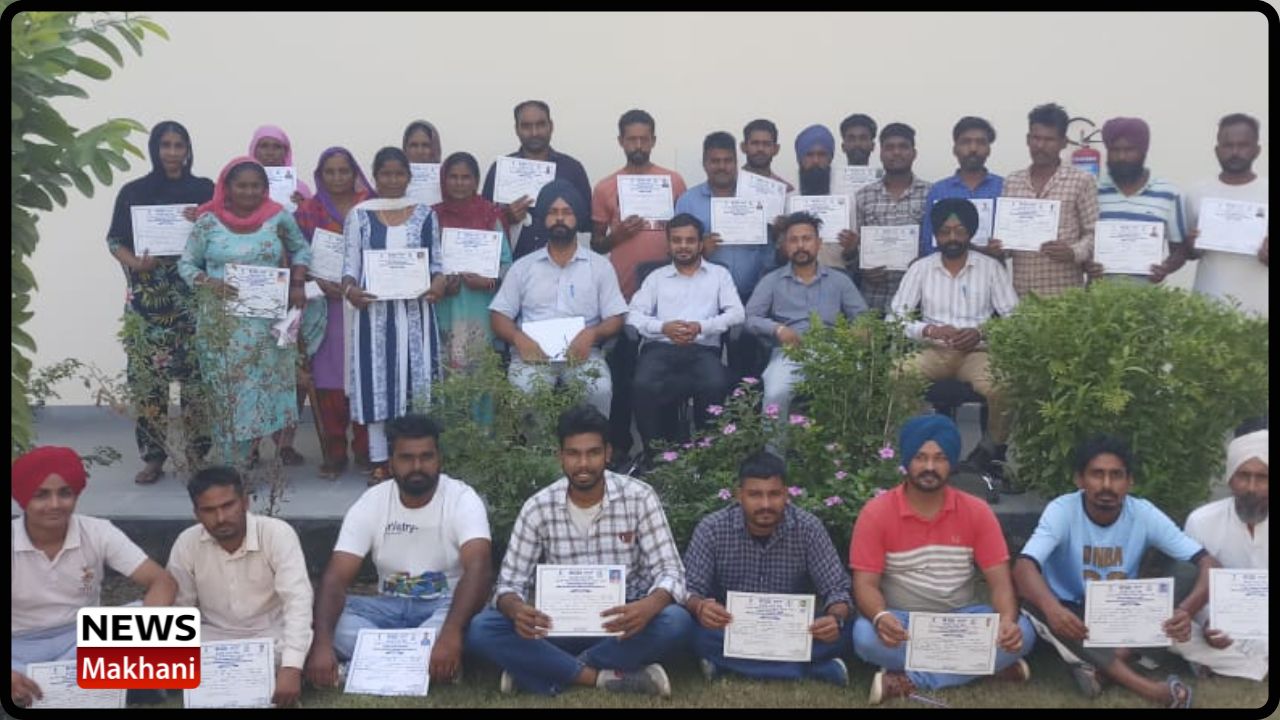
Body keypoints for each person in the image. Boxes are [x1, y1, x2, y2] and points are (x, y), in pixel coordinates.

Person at [465, 405, 692, 698]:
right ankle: (598, 676)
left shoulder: (639, 497)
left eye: (593, 453)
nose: (583, 464)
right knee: (483, 628)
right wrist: (516, 609)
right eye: (573, 454)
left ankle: (543, 668)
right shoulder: (538, 507)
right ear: (560, 456)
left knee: (676, 621)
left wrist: (648, 606)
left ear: (608, 453)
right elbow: (508, 584)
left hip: (622, 625)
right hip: (557, 626)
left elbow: (671, 572)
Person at [1012, 434, 1218, 708]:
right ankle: (1152, 690)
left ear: (1130, 481)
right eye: (1097, 474)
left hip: (1120, 611)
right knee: (1035, 602)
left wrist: (1187, 611)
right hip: (1069, 612)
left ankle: (1104, 667)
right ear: (1079, 479)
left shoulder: (1142, 513)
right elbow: (1024, 566)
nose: (1107, 485)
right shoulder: (1062, 510)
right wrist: (1052, 608)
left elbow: (1207, 562)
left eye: (1116, 475)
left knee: (1186, 571)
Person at [850, 415, 1035, 704]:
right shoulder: (876, 513)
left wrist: (1007, 622)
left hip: (961, 619)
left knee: (1024, 631)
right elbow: (864, 585)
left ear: (952, 463)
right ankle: (985, 667)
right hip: (904, 623)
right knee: (864, 635)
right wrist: (881, 616)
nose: (930, 467)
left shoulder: (976, 511)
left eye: (940, 458)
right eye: (920, 457)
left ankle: (911, 679)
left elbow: (1000, 584)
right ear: (907, 460)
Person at [303, 414, 492, 687]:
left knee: (469, 622)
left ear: (439, 459)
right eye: (406, 458)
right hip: (387, 609)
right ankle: (423, 665)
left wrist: (451, 633)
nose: (417, 467)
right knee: (328, 619)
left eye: (426, 457)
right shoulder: (372, 502)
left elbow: (479, 569)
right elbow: (335, 578)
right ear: (391, 463)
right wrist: (322, 644)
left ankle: (361, 667)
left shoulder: (462, 499)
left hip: (444, 608)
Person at [10, 446, 178, 708]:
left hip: (83, 638)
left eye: (65, 493)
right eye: (41, 495)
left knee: (167, 623)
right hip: (19, 647)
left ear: (76, 494)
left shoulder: (97, 531)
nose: (54, 504)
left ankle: (137, 693)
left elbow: (162, 581)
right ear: (23, 498)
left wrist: (146, 632)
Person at [178, 157, 312, 466]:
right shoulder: (207, 222)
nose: (249, 192)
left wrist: (298, 282)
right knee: (227, 391)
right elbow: (186, 264)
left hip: (266, 325)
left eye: (256, 186)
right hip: (221, 326)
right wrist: (209, 282)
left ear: (265, 189)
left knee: (259, 390)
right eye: (242, 186)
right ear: (227, 187)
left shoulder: (277, 217)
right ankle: (232, 465)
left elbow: (301, 249)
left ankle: (246, 456)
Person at [105, 120, 214, 485]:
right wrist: (136, 263)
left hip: (193, 301)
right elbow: (114, 241)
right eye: (165, 145)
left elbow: (223, 232)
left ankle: (198, 455)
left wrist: (204, 219)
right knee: (148, 382)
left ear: (188, 149)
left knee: (196, 380)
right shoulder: (134, 191)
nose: (172, 152)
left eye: (178, 145)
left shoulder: (205, 190)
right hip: (148, 303)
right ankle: (153, 457)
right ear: (155, 149)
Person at [684, 451, 852, 686]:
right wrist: (700, 607)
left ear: (786, 494)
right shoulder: (712, 528)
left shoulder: (808, 528)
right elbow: (689, 589)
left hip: (792, 630)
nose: (765, 504)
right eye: (755, 495)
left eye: (774, 494)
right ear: (739, 495)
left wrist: (835, 618)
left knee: (847, 630)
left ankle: (725, 665)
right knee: (692, 629)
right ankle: (813, 669)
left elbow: (837, 589)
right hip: (734, 628)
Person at [889, 198, 1019, 476]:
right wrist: (929, 330)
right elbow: (895, 318)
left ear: (970, 233)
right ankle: (917, 447)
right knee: (897, 375)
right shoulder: (921, 268)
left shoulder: (990, 268)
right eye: (945, 232)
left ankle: (989, 452)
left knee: (1004, 386)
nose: (952, 238)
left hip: (977, 353)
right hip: (933, 351)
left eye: (959, 231)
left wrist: (981, 332)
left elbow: (1014, 318)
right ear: (936, 235)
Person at [340, 147, 447, 484]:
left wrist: (438, 284)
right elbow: (349, 268)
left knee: (418, 385)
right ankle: (380, 461)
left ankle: (419, 459)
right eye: (385, 174)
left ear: (409, 176)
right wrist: (351, 291)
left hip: (416, 316)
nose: (392, 180)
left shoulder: (425, 215)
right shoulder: (359, 215)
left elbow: (437, 265)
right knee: (376, 385)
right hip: (373, 316)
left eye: (399, 173)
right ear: (375, 176)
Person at [166, 466, 313, 707]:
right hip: (212, 637)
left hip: (270, 636)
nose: (221, 518)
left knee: (297, 647)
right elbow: (180, 609)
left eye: (228, 506)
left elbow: (297, 601)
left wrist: (291, 667)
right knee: (134, 625)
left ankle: (269, 674)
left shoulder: (277, 534)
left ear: (245, 502)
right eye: (209, 510)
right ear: (196, 513)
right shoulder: (187, 542)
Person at [592, 109, 688, 465]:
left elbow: (685, 229)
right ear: (620, 141)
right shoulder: (605, 187)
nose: (637, 145)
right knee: (623, 372)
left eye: (643, 139)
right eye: (631, 139)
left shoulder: (673, 182)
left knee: (665, 372)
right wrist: (617, 235)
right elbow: (596, 244)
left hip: (668, 294)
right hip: (624, 291)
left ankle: (666, 448)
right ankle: (618, 445)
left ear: (653, 141)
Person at [490, 179, 627, 419]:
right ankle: (537, 444)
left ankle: (590, 443)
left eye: (567, 212)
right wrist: (518, 339)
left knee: (598, 388)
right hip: (532, 355)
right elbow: (499, 315)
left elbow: (616, 316)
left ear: (578, 218)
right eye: (553, 212)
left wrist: (592, 335)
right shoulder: (523, 267)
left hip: (583, 353)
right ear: (543, 218)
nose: (560, 218)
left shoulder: (599, 267)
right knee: (526, 390)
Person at [627, 213, 744, 463]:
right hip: (660, 348)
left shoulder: (719, 275)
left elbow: (737, 313)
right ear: (668, 244)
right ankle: (655, 457)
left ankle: (707, 456)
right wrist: (663, 327)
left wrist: (702, 327)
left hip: (703, 349)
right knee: (642, 386)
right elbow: (633, 315)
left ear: (700, 244)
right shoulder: (656, 277)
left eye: (690, 240)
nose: (683, 246)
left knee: (715, 385)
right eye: (677, 240)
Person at [294, 147, 374, 478]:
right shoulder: (307, 212)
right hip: (325, 311)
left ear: (355, 173)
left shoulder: (372, 207)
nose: (338, 177)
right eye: (330, 171)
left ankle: (367, 449)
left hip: (364, 306)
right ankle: (335, 451)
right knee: (328, 381)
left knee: (365, 376)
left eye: (344, 171)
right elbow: (296, 256)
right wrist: (315, 282)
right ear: (320, 175)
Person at [745, 212, 869, 421]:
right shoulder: (772, 280)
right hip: (789, 353)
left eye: (807, 239)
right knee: (775, 394)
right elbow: (750, 318)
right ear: (785, 246)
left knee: (854, 389)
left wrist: (858, 331)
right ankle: (774, 444)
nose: (800, 246)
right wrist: (778, 329)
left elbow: (862, 316)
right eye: (793, 240)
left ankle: (842, 443)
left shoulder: (839, 280)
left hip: (834, 351)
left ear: (819, 243)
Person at [677, 131, 775, 389]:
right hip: (705, 297)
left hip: (750, 292)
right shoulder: (688, 200)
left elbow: (770, 249)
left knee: (747, 365)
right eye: (715, 161)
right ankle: (711, 411)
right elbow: (676, 248)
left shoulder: (757, 197)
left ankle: (744, 411)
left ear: (736, 161)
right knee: (706, 367)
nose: (722, 166)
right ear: (704, 163)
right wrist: (700, 250)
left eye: (728, 160)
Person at [1171, 429, 1268, 681]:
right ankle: (1251, 665)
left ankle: (1222, 665)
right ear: (1230, 479)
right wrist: (1207, 623)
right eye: (1243, 476)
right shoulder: (1201, 521)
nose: (1252, 488)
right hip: (1222, 628)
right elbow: (1195, 587)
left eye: (1262, 478)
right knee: (1170, 632)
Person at [989, 103, 1097, 298]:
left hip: (1065, 297)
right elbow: (1007, 245)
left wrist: (1073, 252)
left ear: (1063, 142)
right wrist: (999, 248)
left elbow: (1094, 234)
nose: (1040, 146)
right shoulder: (1012, 181)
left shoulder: (1081, 181)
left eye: (1049, 140)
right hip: (1022, 296)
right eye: (1036, 138)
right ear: (1028, 139)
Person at [432, 151, 513, 375]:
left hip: (480, 305)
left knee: (480, 372)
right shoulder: (432, 217)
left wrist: (488, 282)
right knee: (445, 371)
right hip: (444, 305)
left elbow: (507, 265)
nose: (459, 183)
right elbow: (422, 263)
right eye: (453, 177)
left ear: (476, 181)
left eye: (466, 177)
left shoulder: (490, 215)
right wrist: (440, 283)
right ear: (444, 179)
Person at [482, 100, 593, 260]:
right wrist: (506, 218)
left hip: (563, 264)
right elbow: (482, 222)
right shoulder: (500, 169)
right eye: (526, 126)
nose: (534, 132)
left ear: (551, 126)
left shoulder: (572, 169)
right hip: (513, 264)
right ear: (516, 129)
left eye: (540, 125)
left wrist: (564, 215)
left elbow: (587, 223)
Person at [1085, 117, 1190, 282]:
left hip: (1146, 294)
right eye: (1114, 150)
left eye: (1129, 150)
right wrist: (1086, 264)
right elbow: (1080, 243)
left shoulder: (1169, 193)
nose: (1121, 157)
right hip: (1098, 294)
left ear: (1143, 151)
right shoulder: (1092, 189)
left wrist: (1165, 268)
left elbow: (1180, 250)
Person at [1186, 113, 1268, 317]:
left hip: (1261, 308)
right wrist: (1191, 246)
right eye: (1228, 145)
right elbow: (1188, 252)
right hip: (1207, 307)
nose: (1235, 152)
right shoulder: (1196, 193)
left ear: (1257, 150)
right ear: (1217, 150)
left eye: (1243, 145)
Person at [845, 123, 932, 312]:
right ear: (881, 153)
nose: (896, 152)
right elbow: (853, 248)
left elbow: (936, 245)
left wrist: (922, 263)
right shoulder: (863, 196)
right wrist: (862, 268)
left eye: (903, 147)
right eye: (890, 147)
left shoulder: (930, 194)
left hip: (918, 300)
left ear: (914, 153)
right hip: (873, 300)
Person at [919, 117, 1004, 257]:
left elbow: (1014, 241)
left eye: (981, 142)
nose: (973, 148)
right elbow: (929, 243)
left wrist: (1003, 249)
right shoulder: (939, 191)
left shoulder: (1004, 188)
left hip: (993, 268)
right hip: (947, 269)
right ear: (955, 149)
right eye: (966, 142)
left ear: (989, 149)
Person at [790, 124, 846, 270]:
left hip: (838, 274)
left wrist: (851, 247)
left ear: (830, 158)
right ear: (800, 159)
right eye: (809, 155)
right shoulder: (788, 200)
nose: (815, 161)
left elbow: (853, 254)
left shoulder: (845, 201)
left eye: (821, 155)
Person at [248, 124, 312, 205]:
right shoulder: (241, 186)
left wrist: (302, 206)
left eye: (277, 147)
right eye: (264, 146)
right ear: (254, 150)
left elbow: (311, 211)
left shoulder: (300, 189)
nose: (270, 152)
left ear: (285, 152)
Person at [740, 118, 794, 191]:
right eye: (755, 143)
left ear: (776, 149)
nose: (760, 149)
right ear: (743, 147)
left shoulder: (785, 190)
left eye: (766, 144)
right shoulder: (730, 185)